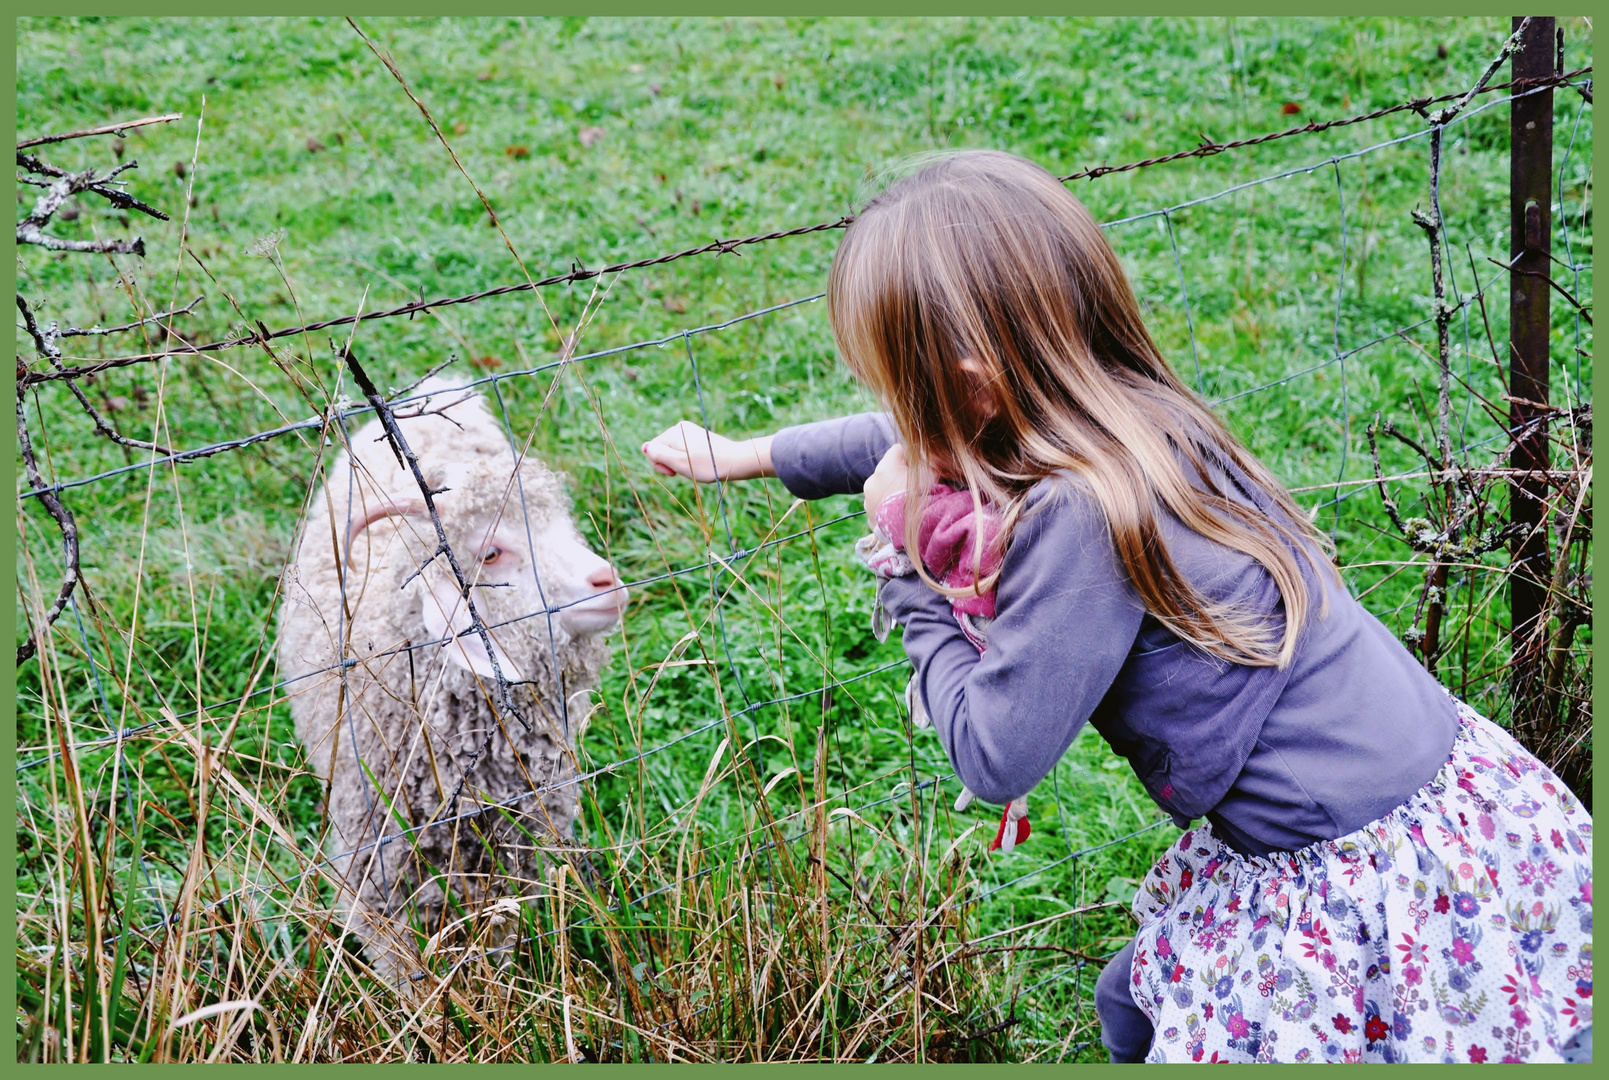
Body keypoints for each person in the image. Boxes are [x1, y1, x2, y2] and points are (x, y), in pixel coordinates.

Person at [640, 150, 1592, 1064]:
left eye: (901, 376)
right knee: (1133, 999)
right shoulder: (1125, 403)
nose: (896, 408)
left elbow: (997, 753)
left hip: (1366, 872)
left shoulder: (1079, 518)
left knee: (1191, 1015)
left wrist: (903, 565)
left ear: (970, 379)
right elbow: (909, 432)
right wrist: (752, 452)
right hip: (1460, 807)